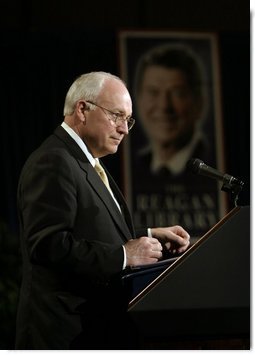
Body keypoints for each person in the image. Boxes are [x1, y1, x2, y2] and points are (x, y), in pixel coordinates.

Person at [15, 71, 190, 350]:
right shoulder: (53, 161)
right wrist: (125, 254)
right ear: (83, 110)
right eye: (116, 115)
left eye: (128, 120)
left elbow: (88, 228)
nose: (124, 129)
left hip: (96, 330)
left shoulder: (85, 161)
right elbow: (49, 245)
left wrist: (148, 235)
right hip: (65, 335)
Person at [129, 43, 222, 238]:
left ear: (199, 102)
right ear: (137, 99)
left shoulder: (212, 165)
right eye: (153, 92)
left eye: (178, 93)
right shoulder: (136, 164)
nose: (164, 106)